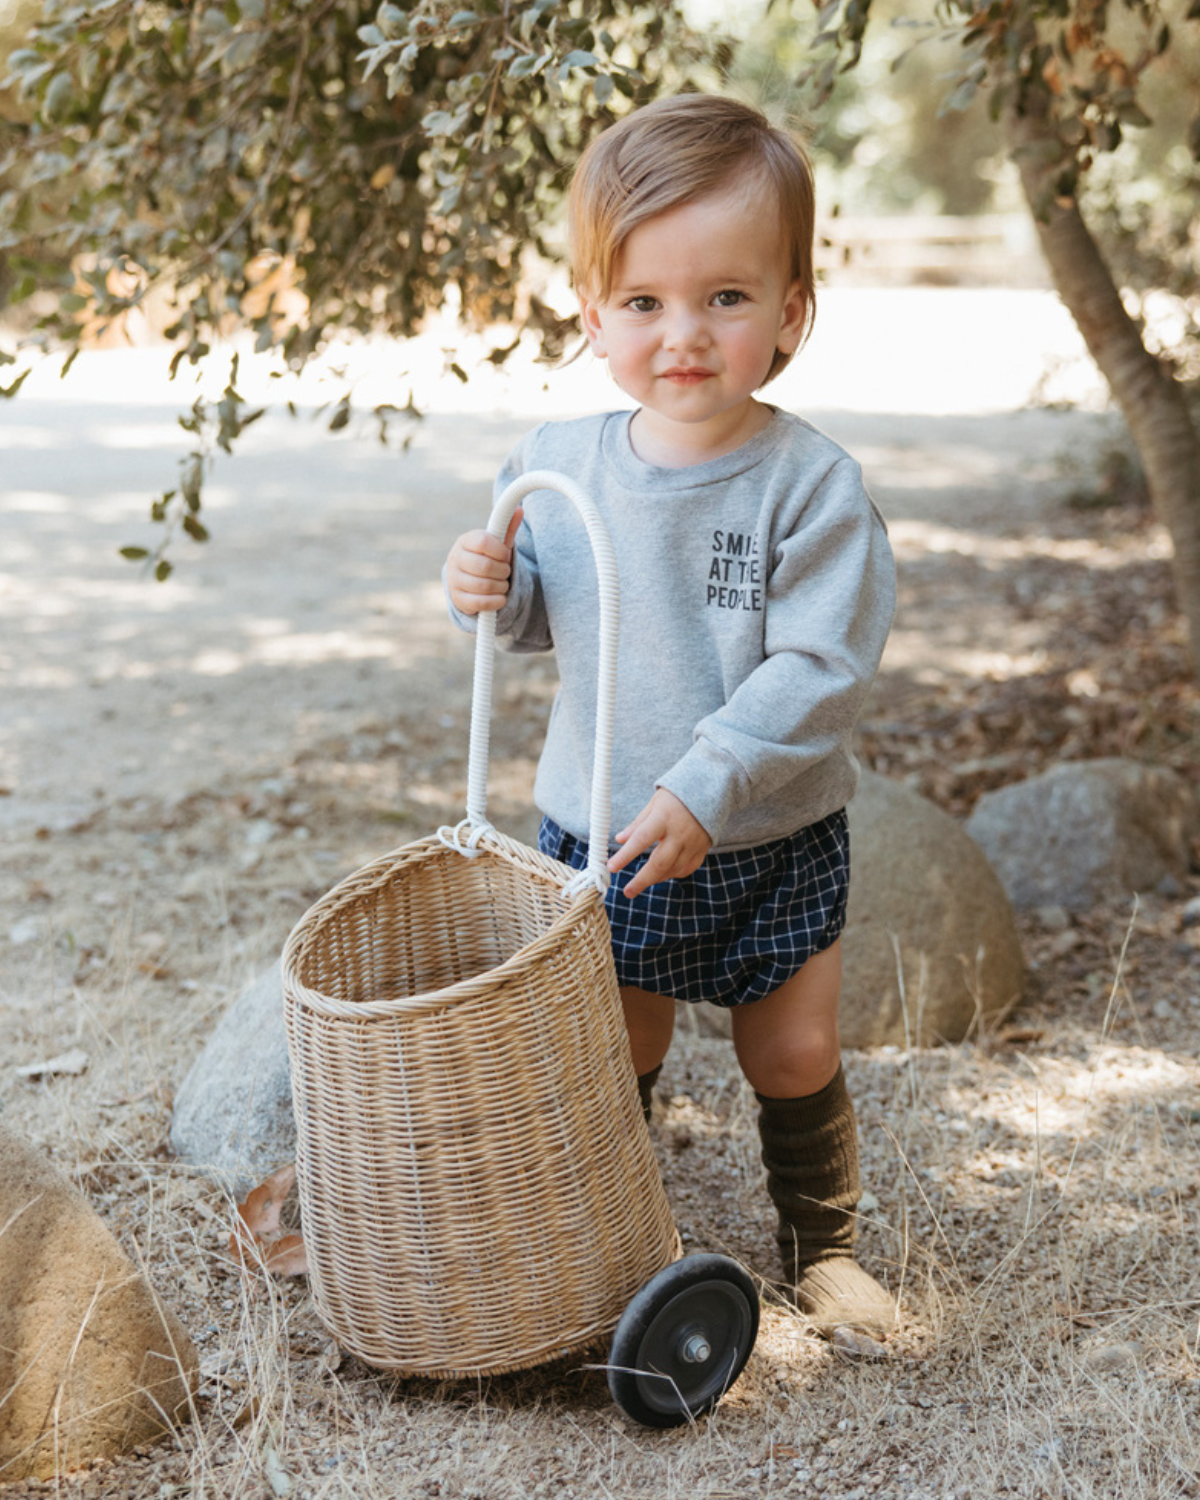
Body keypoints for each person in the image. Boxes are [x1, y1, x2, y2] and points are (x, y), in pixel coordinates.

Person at [443, 93, 897, 1342]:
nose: (681, 334)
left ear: (792, 311)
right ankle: (613, 1241)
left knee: (792, 1053)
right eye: (643, 302)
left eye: (726, 299)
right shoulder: (558, 460)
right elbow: (533, 616)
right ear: (594, 313)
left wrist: (708, 782)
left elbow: (819, 669)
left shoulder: (811, 488)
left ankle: (825, 1247)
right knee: (616, 1054)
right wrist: (485, 586)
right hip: (606, 826)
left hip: (767, 831)